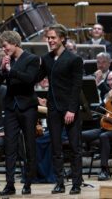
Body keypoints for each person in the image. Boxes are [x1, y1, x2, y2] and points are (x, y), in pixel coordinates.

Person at [37, 24, 83, 195]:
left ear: (62, 38)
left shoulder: (74, 59)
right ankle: (59, 182)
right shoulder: (47, 59)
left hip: (69, 109)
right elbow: (37, 77)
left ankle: (76, 183)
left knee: (75, 148)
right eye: (48, 38)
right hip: (54, 109)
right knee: (56, 147)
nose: (50, 40)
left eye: (53, 37)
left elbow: (76, 87)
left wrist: (71, 110)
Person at [0, 30, 40, 195]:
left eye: (5, 46)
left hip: (27, 107)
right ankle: (10, 184)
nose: (4, 50)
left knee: (29, 146)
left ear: (13, 43)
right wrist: (1, 69)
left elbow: (29, 79)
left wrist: (10, 70)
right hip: (11, 107)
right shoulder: (6, 61)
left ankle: (28, 182)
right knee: (10, 146)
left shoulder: (32, 59)